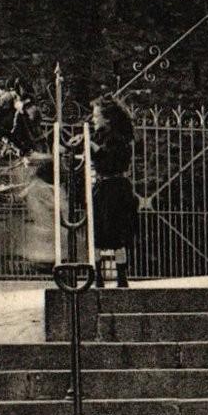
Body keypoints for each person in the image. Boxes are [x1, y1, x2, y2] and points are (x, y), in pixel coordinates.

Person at [90, 95, 139, 288]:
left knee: (117, 235)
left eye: (96, 116)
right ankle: (98, 276)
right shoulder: (98, 136)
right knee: (96, 234)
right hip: (102, 188)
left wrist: (92, 147)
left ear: (108, 119)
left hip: (116, 189)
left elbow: (109, 160)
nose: (93, 119)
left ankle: (121, 277)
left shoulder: (119, 138)